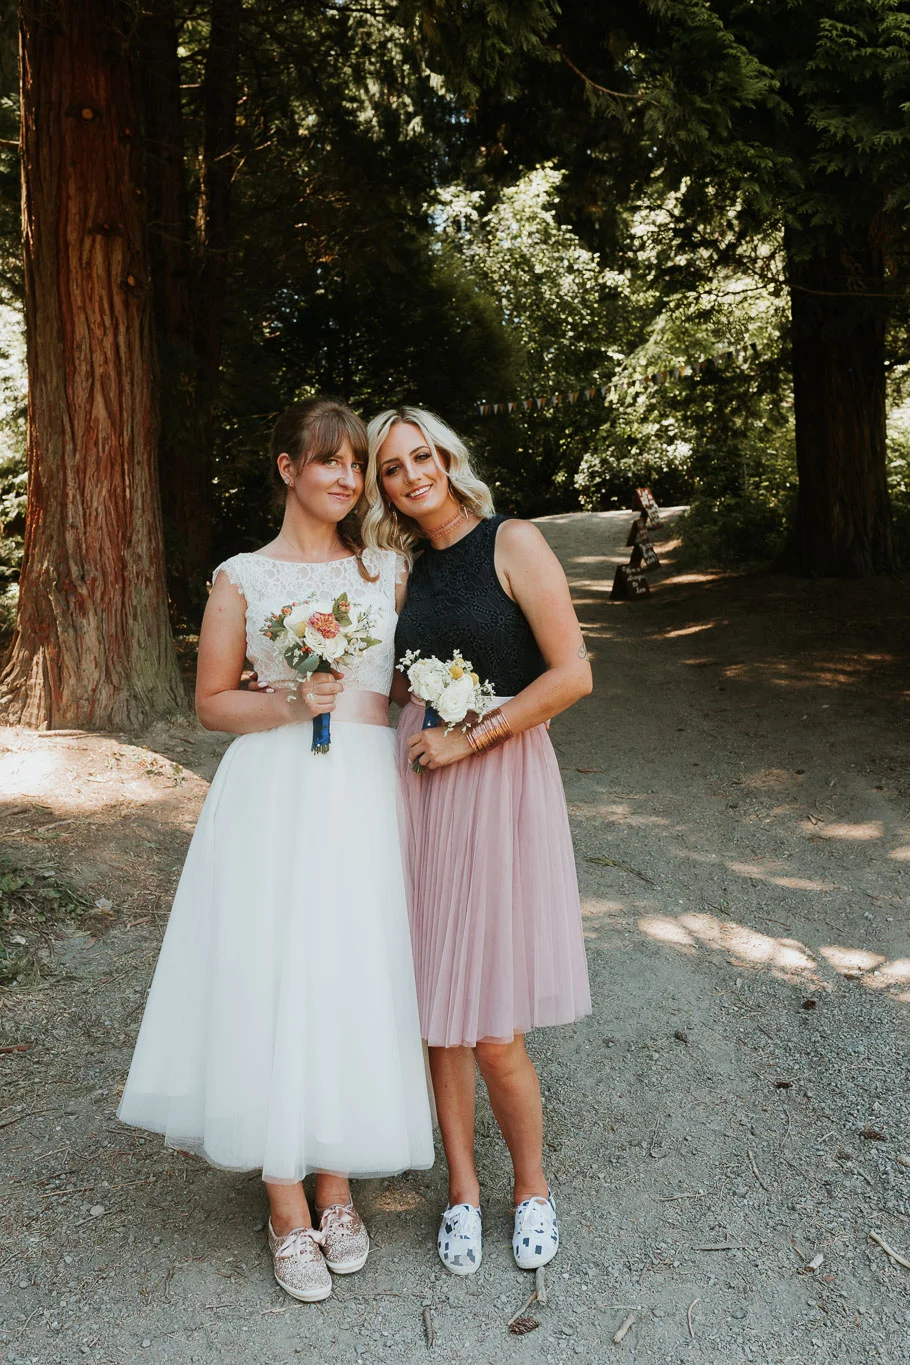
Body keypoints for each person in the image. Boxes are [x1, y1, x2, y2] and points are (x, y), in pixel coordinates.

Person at [119, 397, 433, 1302]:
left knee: (347, 968)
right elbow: (214, 701)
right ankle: (286, 1198)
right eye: (327, 461)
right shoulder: (241, 578)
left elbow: (421, 670)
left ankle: (336, 1172)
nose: (345, 478)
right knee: (272, 966)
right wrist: (294, 701)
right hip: (273, 791)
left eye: (356, 465)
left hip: (367, 791)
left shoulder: (385, 570)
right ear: (287, 467)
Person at [363, 405, 592, 1277]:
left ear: (447, 458)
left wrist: (473, 734)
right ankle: (461, 1189)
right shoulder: (398, 571)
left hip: (498, 779)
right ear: (382, 486)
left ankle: (530, 1186)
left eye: (422, 456)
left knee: (492, 1023)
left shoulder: (514, 542)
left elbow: (573, 673)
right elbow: (382, 680)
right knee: (440, 1019)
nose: (412, 474)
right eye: (392, 468)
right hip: (419, 784)